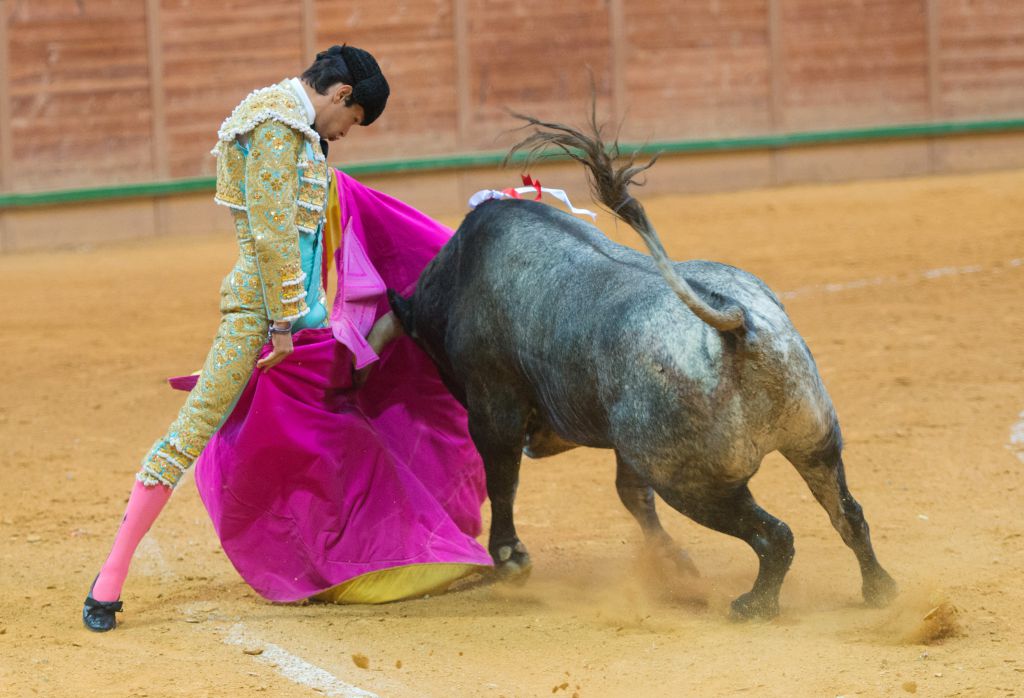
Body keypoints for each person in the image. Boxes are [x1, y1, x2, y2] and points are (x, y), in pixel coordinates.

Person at [83, 45, 490, 632]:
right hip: (260, 319)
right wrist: (280, 328)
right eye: (351, 121)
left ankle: (356, 554)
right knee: (192, 429)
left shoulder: (296, 128)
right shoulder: (275, 123)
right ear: (341, 95)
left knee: (358, 411)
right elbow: (276, 238)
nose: (345, 134)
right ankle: (109, 582)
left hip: (304, 319)